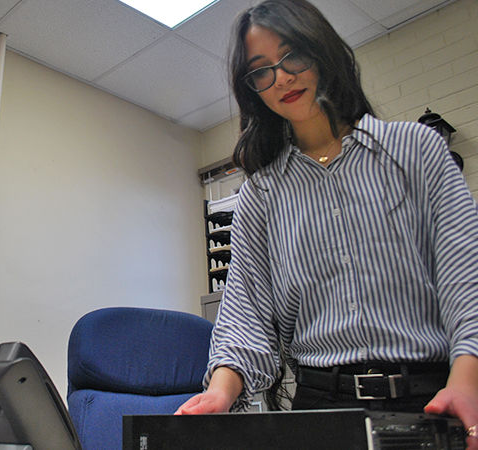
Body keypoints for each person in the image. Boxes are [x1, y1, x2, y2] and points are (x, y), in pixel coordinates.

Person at [174, 0, 478, 446]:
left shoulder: (417, 150)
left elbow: (464, 276)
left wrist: (468, 378)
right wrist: (221, 390)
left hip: (430, 399)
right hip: (320, 409)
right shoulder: (263, 192)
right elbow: (246, 307)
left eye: (292, 54)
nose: (282, 77)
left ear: (322, 50)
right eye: (262, 70)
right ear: (252, 89)